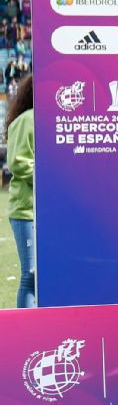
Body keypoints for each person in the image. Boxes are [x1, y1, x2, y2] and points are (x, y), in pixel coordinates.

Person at [5, 74, 33, 308]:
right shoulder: (27, 120)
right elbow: (19, 162)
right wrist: (52, 180)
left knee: (40, 275)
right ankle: (28, 328)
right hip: (26, 211)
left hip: (41, 211)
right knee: (31, 275)